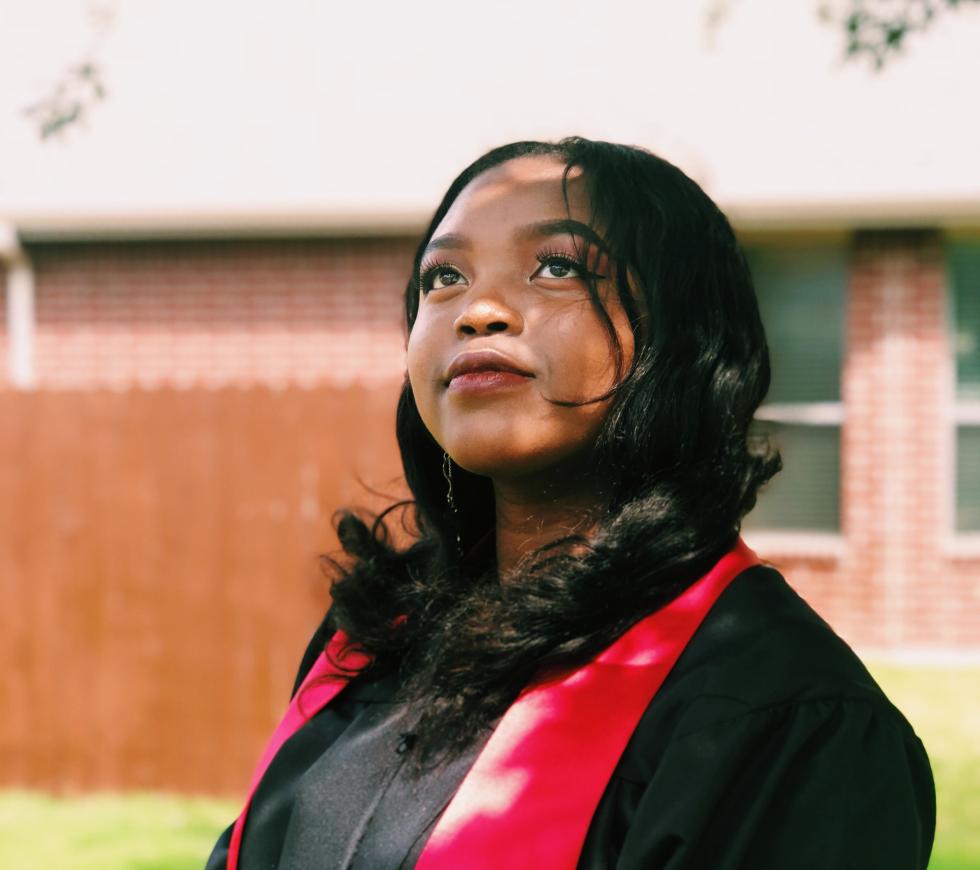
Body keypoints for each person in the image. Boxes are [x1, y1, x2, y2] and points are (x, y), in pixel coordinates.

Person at [205, 137, 935, 869]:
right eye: (443, 277)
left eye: (557, 267)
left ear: (685, 335)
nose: (477, 310)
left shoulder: (782, 717)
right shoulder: (370, 640)